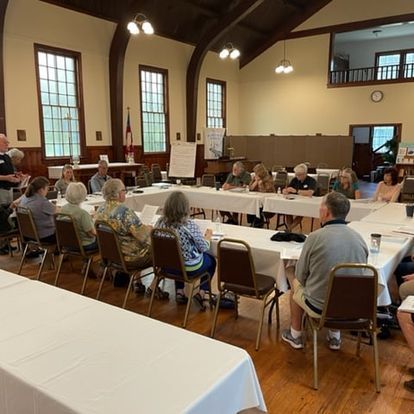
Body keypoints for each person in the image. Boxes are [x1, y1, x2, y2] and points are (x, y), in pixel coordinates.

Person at [281, 192, 368, 350]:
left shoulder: (315, 237)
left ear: (326, 212)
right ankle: (335, 336)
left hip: (319, 306)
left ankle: (295, 334)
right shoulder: (359, 238)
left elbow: (301, 276)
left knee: (291, 273)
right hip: (351, 307)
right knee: (340, 280)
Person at [94, 179, 160, 295]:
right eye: (124, 190)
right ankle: (153, 286)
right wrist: (149, 229)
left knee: (134, 241)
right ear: (118, 194)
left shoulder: (100, 209)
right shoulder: (124, 212)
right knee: (161, 250)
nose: (125, 193)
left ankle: (138, 282)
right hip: (129, 258)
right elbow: (143, 236)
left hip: (111, 256)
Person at [155, 191, 216, 308]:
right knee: (211, 261)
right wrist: (207, 236)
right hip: (187, 269)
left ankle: (180, 292)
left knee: (176, 257)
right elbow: (204, 247)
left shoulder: (160, 223)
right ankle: (201, 294)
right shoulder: (188, 225)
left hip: (166, 266)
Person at [19, 176, 57, 243]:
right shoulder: (42, 202)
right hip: (45, 236)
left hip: (27, 234)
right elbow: (58, 211)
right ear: (41, 189)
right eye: (47, 189)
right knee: (67, 230)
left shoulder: (25, 198)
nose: (47, 191)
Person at [60, 182, 97, 251]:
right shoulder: (83, 214)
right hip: (84, 244)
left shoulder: (62, 209)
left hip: (67, 242)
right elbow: (92, 234)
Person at [283, 163, 317, 231]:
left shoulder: (311, 181)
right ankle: (290, 229)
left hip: (306, 204)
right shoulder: (295, 179)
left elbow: (310, 193)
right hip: (294, 202)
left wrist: (296, 191)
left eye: (299, 175)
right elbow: (287, 188)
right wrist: (285, 191)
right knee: (287, 210)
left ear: (305, 174)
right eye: (296, 174)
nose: (297, 176)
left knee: (301, 211)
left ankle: (289, 229)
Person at [247, 163, 275, 227]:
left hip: (267, 201)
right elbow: (250, 188)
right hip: (256, 199)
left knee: (258, 207)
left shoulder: (268, 179)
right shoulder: (255, 178)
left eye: (256, 172)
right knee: (250, 204)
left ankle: (258, 223)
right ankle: (252, 222)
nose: (255, 174)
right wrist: (256, 182)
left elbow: (265, 192)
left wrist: (260, 183)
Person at [0, 134, 23, 205]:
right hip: (0, 189)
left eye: (7, 142)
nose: (7, 144)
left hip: (9, 189)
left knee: (9, 211)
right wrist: (6, 178)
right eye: (5, 142)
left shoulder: (6, 156)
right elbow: (6, 176)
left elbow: (10, 172)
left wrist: (16, 175)